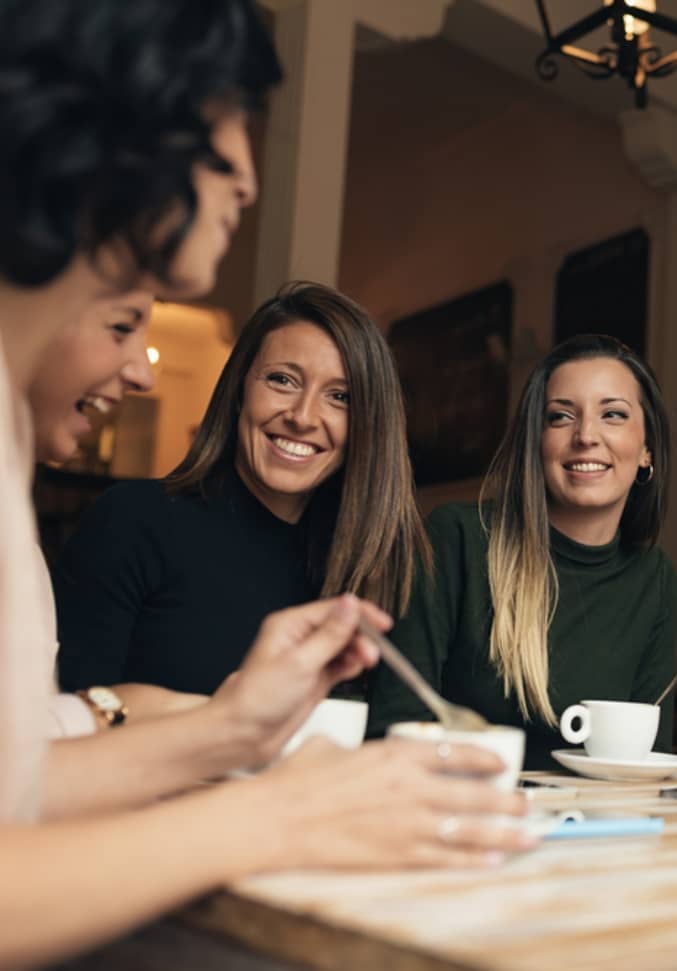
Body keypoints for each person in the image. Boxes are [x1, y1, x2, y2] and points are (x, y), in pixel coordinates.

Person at [0, 2, 532, 966]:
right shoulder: (119, 510)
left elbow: (20, 781)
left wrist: (233, 724)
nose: (248, 173)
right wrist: (277, 810)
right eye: (224, 122)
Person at [54, 281, 431, 699]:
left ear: (369, 424)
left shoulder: (379, 566)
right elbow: (66, 723)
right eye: (282, 380)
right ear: (239, 391)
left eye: (340, 396)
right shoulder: (132, 521)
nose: (303, 417)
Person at [368, 334, 677, 769]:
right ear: (536, 442)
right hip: (460, 819)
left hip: (599, 831)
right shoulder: (456, 539)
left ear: (647, 449)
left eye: (613, 414)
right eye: (560, 417)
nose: (586, 435)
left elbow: (653, 760)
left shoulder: (657, 582)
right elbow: (393, 723)